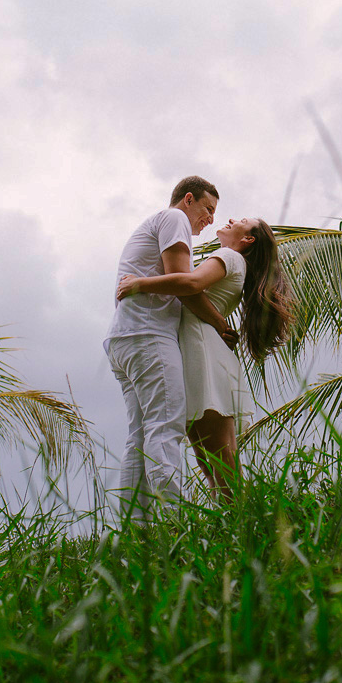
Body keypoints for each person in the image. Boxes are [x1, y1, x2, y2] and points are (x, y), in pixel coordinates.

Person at [117, 217, 293, 500]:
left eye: (242, 221)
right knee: (208, 457)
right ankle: (228, 524)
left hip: (203, 353)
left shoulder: (228, 255)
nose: (232, 219)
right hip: (198, 351)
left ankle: (241, 521)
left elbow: (192, 283)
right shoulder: (235, 261)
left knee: (219, 455)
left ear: (248, 240)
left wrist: (140, 283)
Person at [105, 177, 236, 521]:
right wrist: (222, 324)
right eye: (208, 209)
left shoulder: (157, 223)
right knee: (166, 428)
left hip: (124, 338)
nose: (210, 220)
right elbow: (185, 284)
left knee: (140, 436)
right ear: (188, 199)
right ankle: (175, 525)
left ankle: (136, 530)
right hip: (148, 336)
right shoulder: (174, 218)